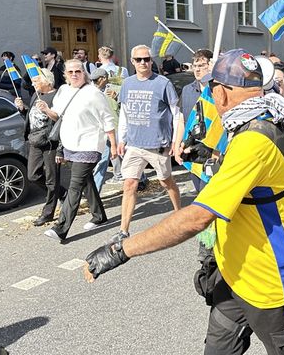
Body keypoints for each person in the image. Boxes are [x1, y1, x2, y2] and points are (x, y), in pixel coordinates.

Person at [84, 49, 284, 355]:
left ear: (220, 91)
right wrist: (210, 153)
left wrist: (122, 250)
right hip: (234, 273)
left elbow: (197, 217)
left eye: (210, 88)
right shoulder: (258, 121)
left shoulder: (254, 140)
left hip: (269, 278)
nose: (208, 95)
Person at [37, 59, 117, 243]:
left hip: (89, 145)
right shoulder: (64, 91)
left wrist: (113, 144)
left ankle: (60, 228)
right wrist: (46, 109)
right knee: (86, 180)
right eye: (71, 72)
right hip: (70, 144)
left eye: (78, 71)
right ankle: (99, 216)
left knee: (75, 185)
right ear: (65, 74)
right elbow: (57, 115)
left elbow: (107, 119)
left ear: (84, 73)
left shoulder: (93, 93)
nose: (74, 74)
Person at [114, 45, 182, 241]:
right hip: (135, 144)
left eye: (146, 59)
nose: (143, 63)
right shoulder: (127, 83)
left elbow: (176, 115)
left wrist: (175, 142)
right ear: (132, 61)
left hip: (157, 144)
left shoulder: (163, 83)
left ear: (151, 61)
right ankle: (123, 230)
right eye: (138, 60)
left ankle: (178, 213)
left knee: (165, 181)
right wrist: (122, 139)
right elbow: (125, 114)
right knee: (129, 184)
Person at [14, 68, 63, 226]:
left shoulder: (56, 96)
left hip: (50, 142)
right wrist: (23, 109)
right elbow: (33, 117)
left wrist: (47, 109)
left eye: (36, 81)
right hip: (35, 140)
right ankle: (63, 193)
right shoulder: (36, 94)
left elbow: (60, 119)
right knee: (33, 175)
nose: (33, 84)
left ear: (47, 82)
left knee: (51, 179)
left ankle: (48, 213)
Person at [175, 48, 214, 192]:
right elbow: (182, 120)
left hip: (212, 150)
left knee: (208, 194)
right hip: (191, 150)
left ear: (210, 66)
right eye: (195, 66)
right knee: (199, 191)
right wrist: (177, 144)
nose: (197, 70)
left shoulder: (217, 89)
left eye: (202, 66)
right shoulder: (187, 90)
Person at [90, 68, 122, 193]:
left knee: (124, 154)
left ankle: (141, 178)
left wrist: (117, 97)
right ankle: (95, 191)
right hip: (101, 131)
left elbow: (125, 106)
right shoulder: (90, 92)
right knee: (102, 160)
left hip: (116, 127)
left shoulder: (115, 89)